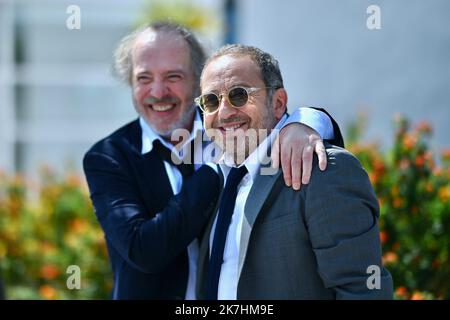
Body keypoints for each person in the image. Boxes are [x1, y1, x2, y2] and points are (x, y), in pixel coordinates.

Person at [83, 22, 342, 299]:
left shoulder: (229, 126)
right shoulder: (108, 156)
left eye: (173, 76)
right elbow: (143, 250)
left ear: (198, 79)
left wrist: (310, 122)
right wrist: (218, 169)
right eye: (144, 78)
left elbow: (275, 113)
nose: (158, 92)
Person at [196, 44, 393, 299]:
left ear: (278, 103)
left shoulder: (323, 169)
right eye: (211, 100)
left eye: (239, 94)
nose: (223, 112)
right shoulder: (215, 182)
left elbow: (363, 291)